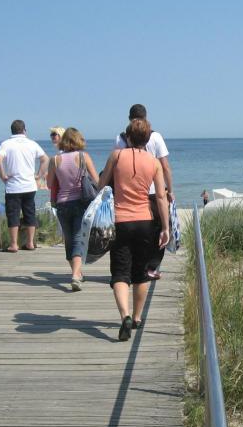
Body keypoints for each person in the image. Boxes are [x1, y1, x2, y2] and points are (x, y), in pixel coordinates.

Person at [100, 118, 169, 341]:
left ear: (128, 137)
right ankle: (138, 318)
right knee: (141, 272)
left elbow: (101, 185)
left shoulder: (116, 156)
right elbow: (160, 197)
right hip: (145, 221)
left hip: (120, 221)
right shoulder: (154, 162)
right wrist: (165, 227)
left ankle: (125, 316)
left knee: (120, 272)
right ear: (147, 139)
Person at [114, 104, 173, 280]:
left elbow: (117, 165)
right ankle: (150, 268)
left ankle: (132, 268)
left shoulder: (121, 138)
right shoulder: (156, 136)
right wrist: (170, 190)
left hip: (129, 192)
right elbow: (165, 166)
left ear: (129, 118)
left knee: (133, 230)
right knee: (157, 231)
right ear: (146, 118)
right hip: (154, 191)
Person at [45, 127, 99, 291]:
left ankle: (77, 273)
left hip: (62, 204)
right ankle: (76, 275)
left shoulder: (55, 160)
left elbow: (49, 184)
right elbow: (97, 181)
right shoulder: (83, 157)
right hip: (81, 203)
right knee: (77, 238)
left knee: (69, 239)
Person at [0, 120, 49, 253]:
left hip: (13, 186)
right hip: (29, 185)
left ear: (12, 131)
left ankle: (14, 244)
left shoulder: (6, 144)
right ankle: (30, 243)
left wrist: (2, 175)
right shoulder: (32, 143)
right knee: (30, 213)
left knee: (13, 214)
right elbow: (45, 159)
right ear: (24, 130)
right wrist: (39, 175)